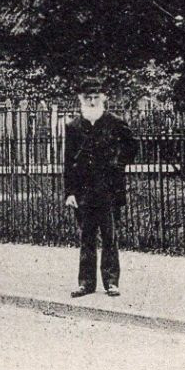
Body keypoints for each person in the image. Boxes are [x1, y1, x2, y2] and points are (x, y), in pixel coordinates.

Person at [62, 78, 138, 298]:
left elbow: (132, 146)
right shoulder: (74, 126)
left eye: (96, 97)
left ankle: (111, 282)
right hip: (84, 190)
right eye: (88, 98)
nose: (93, 101)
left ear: (103, 98)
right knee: (86, 237)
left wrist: (117, 162)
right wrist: (69, 192)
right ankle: (86, 283)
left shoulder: (114, 122)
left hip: (108, 189)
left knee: (109, 236)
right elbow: (68, 161)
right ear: (81, 99)